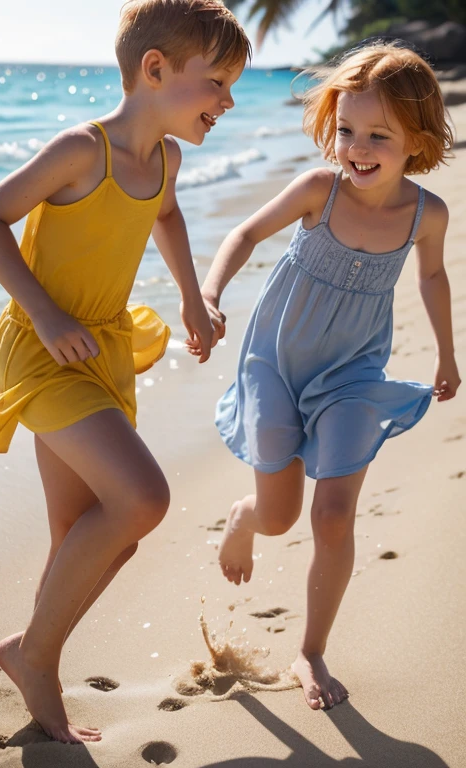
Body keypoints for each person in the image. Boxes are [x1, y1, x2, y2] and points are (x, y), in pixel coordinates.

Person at [0, 0, 249, 743]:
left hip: (102, 351)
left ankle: (29, 649)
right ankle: (37, 654)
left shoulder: (167, 160)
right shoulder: (80, 150)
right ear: (154, 70)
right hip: (43, 347)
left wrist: (192, 294)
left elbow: (167, 217)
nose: (229, 99)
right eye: (216, 81)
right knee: (142, 498)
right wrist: (48, 315)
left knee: (88, 535)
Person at [199, 42, 461, 712]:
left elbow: (431, 275)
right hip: (276, 367)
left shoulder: (426, 214)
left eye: (379, 135)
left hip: (352, 374)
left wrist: (446, 353)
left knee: (335, 513)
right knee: (281, 516)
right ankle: (244, 516)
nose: (357, 148)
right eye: (346, 130)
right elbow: (245, 236)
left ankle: (310, 649)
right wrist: (209, 293)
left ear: (418, 141)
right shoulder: (321, 189)